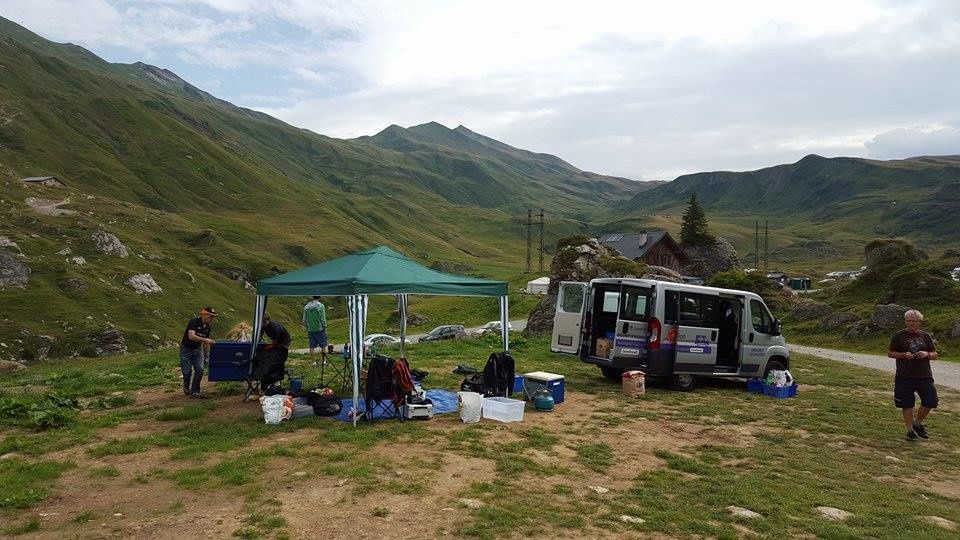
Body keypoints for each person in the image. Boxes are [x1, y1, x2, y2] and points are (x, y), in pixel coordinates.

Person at [887, 309, 939, 441]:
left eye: (914, 321)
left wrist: (926, 354)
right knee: (907, 404)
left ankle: (917, 423)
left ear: (919, 322)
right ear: (905, 321)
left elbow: (934, 354)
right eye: (908, 321)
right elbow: (890, 353)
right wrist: (904, 355)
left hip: (924, 375)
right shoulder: (898, 336)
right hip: (904, 375)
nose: (911, 323)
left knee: (931, 401)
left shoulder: (925, 336)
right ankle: (910, 431)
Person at [180, 307, 217, 398]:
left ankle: (195, 391)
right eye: (211, 316)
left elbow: (205, 343)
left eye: (213, 317)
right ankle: (186, 385)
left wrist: (206, 356)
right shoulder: (194, 322)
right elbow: (191, 336)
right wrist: (206, 340)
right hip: (186, 349)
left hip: (197, 350)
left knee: (200, 370)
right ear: (204, 315)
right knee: (187, 372)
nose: (212, 318)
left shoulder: (208, 327)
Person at [260, 313, 291, 389]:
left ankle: (275, 381)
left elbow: (275, 342)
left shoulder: (275, 328)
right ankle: (271, 382)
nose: (263, 324)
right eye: (262, 322)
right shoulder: (263, 326)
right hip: (277, 341)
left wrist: (270, 346)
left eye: (264, 322)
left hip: (284, 342)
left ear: (269, 320)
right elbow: (260, 334)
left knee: (279, 360)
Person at [303, 296, 328, 366]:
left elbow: (304, 320)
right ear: (319, 297)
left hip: (310, 330)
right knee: (323, 345)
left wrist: (307, 327)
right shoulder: (321, 306)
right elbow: (323, 318)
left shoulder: (306, 307)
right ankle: (324, 362)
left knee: (312, 346)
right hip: (320, 329)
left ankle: (313, 362)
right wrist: (325, 327)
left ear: (312, 297)